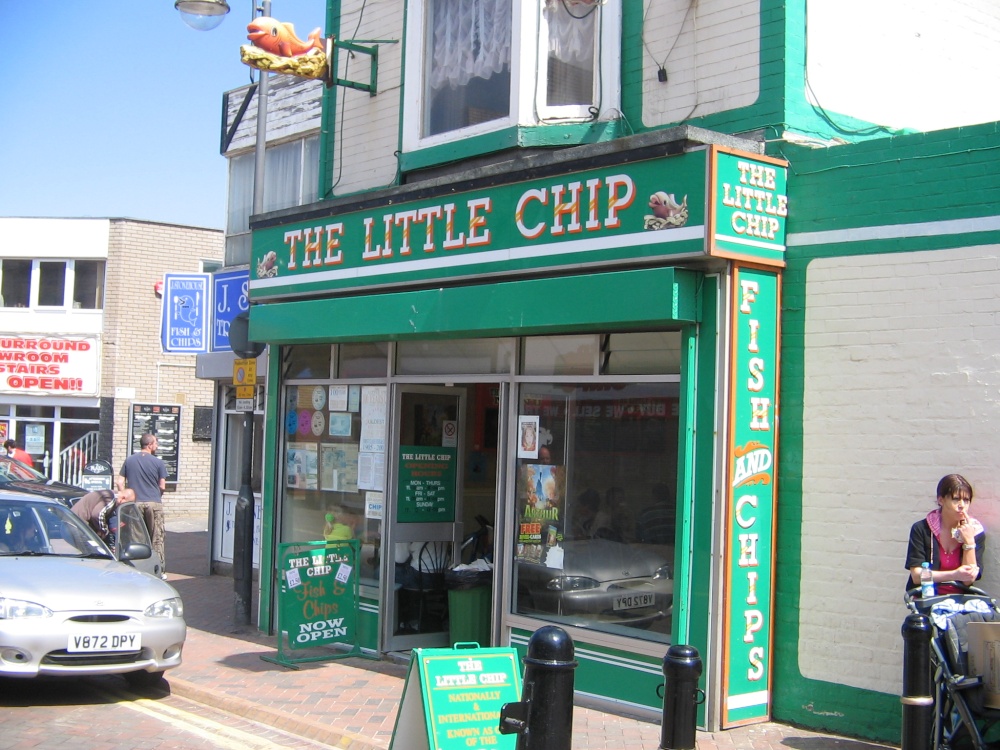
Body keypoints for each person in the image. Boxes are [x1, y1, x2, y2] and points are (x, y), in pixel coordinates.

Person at [906, 473, 985, 596]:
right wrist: (954, 575)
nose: (962, 505)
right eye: (956, 499)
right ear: (941, 500)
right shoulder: (922, 529)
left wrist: (969, 542)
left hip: (960, 601)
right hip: (927, 598)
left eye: (966, 500)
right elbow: (917, 576)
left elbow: (968, 580)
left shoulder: (975, 531)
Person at [118, 433, 168, 578]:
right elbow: (162, 486)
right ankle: (159, 570)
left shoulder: (129, 460)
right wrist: (156, 496)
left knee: (137, 537)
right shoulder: (158, 463)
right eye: (156, 443)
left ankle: (139, 568)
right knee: (156, 537)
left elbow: (120, 482)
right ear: (150, 445)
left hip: (136, 504)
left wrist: (125, 496)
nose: (157, 446)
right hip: (154, 503)